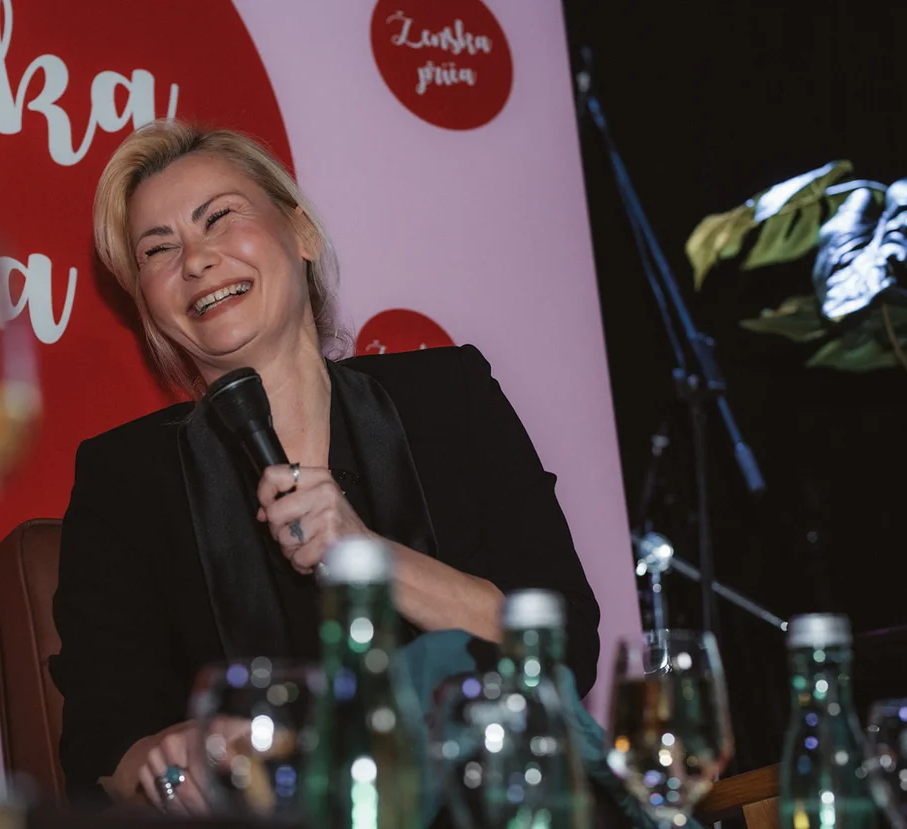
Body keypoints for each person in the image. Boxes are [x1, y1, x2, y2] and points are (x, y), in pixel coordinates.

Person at [49, 119, 600, 812]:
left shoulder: (448, 398)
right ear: (149, 307)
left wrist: (370, 557)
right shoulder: (124, 481)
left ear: (301, 232)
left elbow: (565, 649)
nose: (195, 261)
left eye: (220, 218)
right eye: (158, 250)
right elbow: (102, 748)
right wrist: (170, 759)